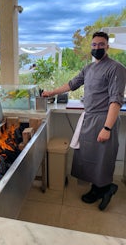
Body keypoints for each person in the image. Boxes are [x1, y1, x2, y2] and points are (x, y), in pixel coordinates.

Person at [42, 31, 126, 211]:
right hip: (89, 118)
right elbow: (72, 84)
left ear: (107, 46)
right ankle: (98, 188)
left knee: (103, 157)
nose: (97, 48)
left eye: (101, 44)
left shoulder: (116, 68)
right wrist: (51, 92)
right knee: (89, 156)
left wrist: (107, 127)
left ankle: (106, 188)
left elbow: (116, 100)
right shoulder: (88, 68)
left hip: (104, 118)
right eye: (94, 45)